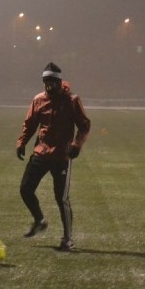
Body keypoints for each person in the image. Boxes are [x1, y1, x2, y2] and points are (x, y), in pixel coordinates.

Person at [16, 62, 91, 252]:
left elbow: (84, 125)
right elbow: (30, 123)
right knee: (25, 189)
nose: (49, 86)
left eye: (52, 82)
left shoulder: (72, 100)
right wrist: (21, 142)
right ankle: (39, 220)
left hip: (62, 155)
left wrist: (76, 144)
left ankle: (67, 239)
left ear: (59, 82)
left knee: (62, 198)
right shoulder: (39, 100)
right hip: (41, 152)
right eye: (46, 82)